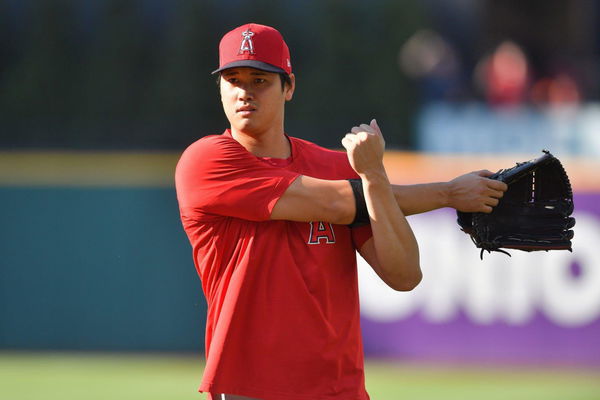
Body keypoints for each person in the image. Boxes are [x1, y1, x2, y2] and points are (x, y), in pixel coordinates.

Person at [175, 23, 507, 400]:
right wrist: (448, 193)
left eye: (260, 80)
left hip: (339, 388)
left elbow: (404, 275)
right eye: (233, 79)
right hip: (249, 387)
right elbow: (336, 202)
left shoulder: (339, 170)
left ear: (289, 87)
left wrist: (375, 175)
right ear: (218, 88)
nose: (244, 92)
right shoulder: (206, 162)